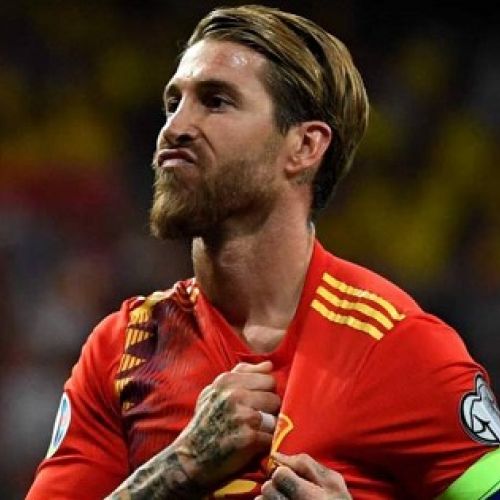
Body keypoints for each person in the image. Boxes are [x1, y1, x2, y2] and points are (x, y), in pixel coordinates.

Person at [27, 5, 500, 500]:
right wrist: (176, 467)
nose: (174, 128)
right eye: (173, 103)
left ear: (304, 147)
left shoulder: (398, 348)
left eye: (215, 101)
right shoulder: (123, 347)